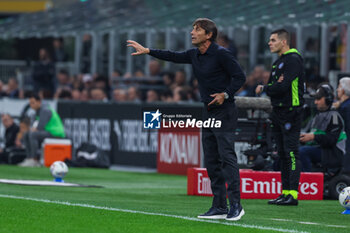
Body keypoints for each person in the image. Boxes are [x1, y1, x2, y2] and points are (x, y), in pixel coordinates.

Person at [127, 18, 246, 221]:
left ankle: (236, 205)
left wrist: (225, 94)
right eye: (192, 29)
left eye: (197, 30)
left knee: (227, 156)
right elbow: (173, 56)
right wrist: (148, 50)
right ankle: (219, 205)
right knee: (211, 159)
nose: (192, 33)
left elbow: (240, 77)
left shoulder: (221, 54)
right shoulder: (194, 54)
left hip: (224, 111)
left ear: (209, 35)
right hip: (207, 112)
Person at [256, 29, 305, 205]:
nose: (270, 43)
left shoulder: (293, 59)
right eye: (269, 40)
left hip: (291, 112)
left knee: (291, 152)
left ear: (284, 42)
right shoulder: (279, 62)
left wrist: (264, 88)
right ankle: (285, 192)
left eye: (273, 40)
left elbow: (282, 87)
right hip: (278, 111)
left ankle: (293, 194)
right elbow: (274, 85)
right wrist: (271, 87)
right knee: (282, 153)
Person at [300, 84, 346, 176]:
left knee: (303, 152)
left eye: (318, 99)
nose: (316, 102)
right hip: (321, 149)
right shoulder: (317, 116)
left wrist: (313, 137)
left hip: (332, 153)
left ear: (328, 99)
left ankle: (307, 181)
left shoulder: (334, 116)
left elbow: (331, 139)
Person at [18, 93, 65, 167]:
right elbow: (34, 126)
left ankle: (34, 159)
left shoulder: (45, 110)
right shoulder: (36, 112)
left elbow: (40, 127)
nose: (31, 105)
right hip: (48, 131)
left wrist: (33, 130)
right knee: (26, 133)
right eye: (30, 103)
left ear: (39, 102)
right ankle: (29, 158)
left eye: (33, 103)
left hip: (55, 133)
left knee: (32, 135)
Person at [334, 77, 350, 174]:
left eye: (339, 87)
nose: (337, 89)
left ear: (343, 90)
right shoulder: (343, 105)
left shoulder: (345, 107)